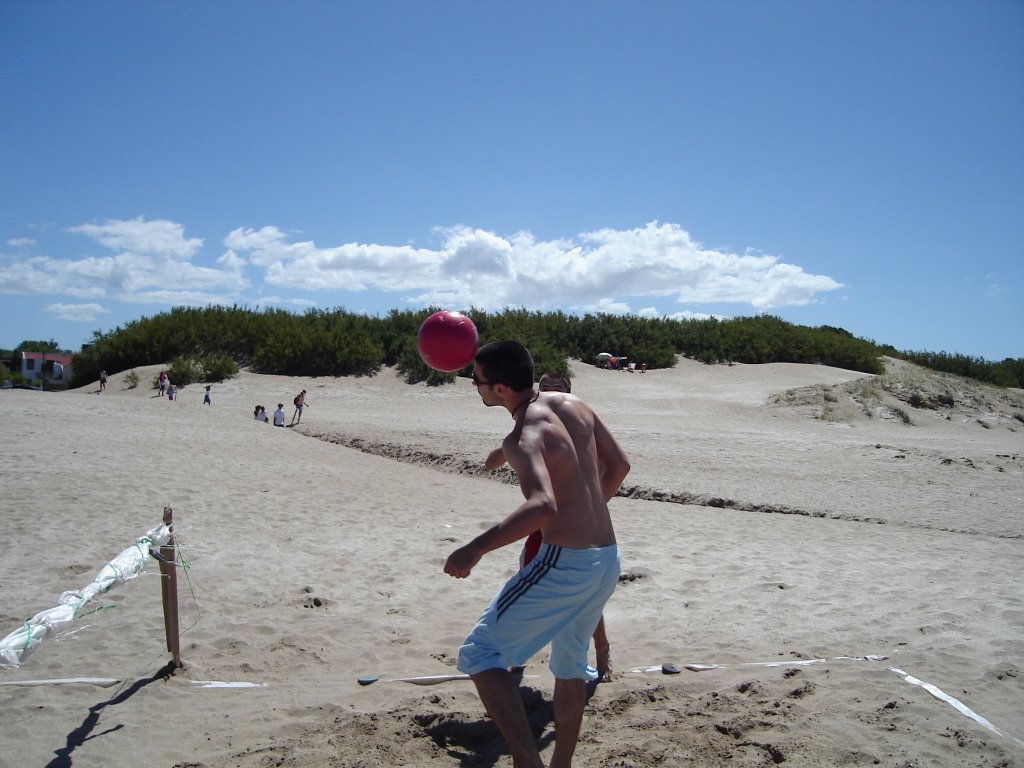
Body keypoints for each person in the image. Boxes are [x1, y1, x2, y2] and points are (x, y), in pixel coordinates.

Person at [445, 341, 630, 768]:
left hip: (565, 563)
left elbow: (542, 505)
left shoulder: (522, 436)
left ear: (502, 388)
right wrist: (586, 513)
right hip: (606, 556)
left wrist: (473, 549)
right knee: (569, 665)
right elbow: (618, 465)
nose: (475, 387)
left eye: (478, 381)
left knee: (480, 654)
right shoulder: (573, 403)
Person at [482, 372, 615, 683]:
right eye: (545, 391)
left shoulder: (582, 434)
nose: (550, 397)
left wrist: (591, 508)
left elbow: (616, 467)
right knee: (529, 585)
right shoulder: (531, 429)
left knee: (586, 601)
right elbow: (491, 462)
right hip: (540, 528)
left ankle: (603, 650)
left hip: (578, 531)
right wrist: (507, 447)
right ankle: (517, 655)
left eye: (557, 392)